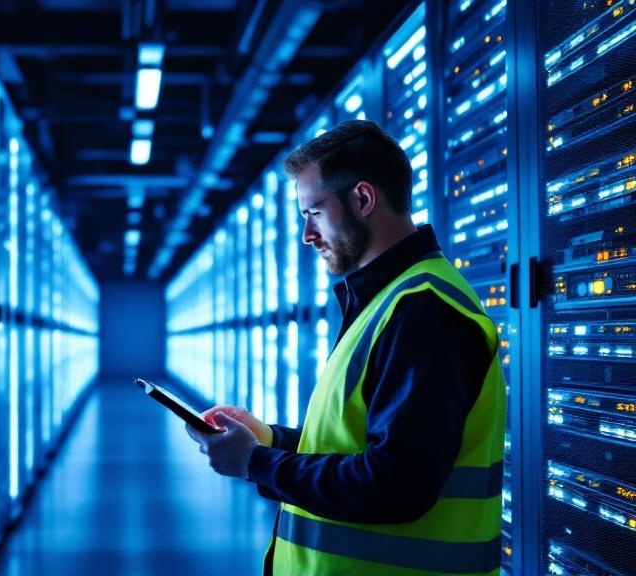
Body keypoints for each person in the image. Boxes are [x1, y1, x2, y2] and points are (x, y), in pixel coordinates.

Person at [186, 120, 506, 576]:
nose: (306, 236)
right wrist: (270, 440)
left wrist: (256, 464)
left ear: (362, 199)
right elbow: (359, 442)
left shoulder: (422, 313)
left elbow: (396, 484)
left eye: (313, 214)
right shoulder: (389, 301)